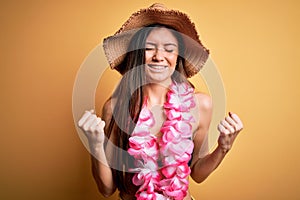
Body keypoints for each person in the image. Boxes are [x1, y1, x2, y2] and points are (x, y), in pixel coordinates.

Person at [78, 3, 243, 200]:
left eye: (169, 49)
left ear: (177, 56)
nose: (159, 57)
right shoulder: (116, 107)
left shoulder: (200, 105)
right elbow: (107, 189)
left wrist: (223, 148)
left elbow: (197, 173)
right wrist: (95, 145)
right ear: (139, 54)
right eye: (149, 48)